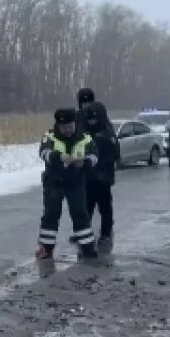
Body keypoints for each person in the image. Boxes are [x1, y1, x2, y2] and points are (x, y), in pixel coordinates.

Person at [36, 108, 99, 260]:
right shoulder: (49, 136)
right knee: (50, 215)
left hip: (76, 182)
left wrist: (84, 162)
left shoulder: (85, 137)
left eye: (70, 127)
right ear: (58, 126)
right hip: (54, 182)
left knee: (80, 215)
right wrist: (60, 157)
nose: (67, 130)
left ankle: (87, 248)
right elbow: (43, 153)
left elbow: (95, 156)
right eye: (64, 128)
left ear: (75, 124)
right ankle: (45, 248)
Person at [81, 101, 118, 253]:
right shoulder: (85, 133)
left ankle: (106, 233)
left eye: (94, 119)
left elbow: (115, 155)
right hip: (88, 178)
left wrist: (101, 166)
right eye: (89, 119)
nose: (91, 122)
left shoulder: (108, 134)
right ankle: (84, 233)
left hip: (103, 178)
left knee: (105, 208)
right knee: (86, 208)